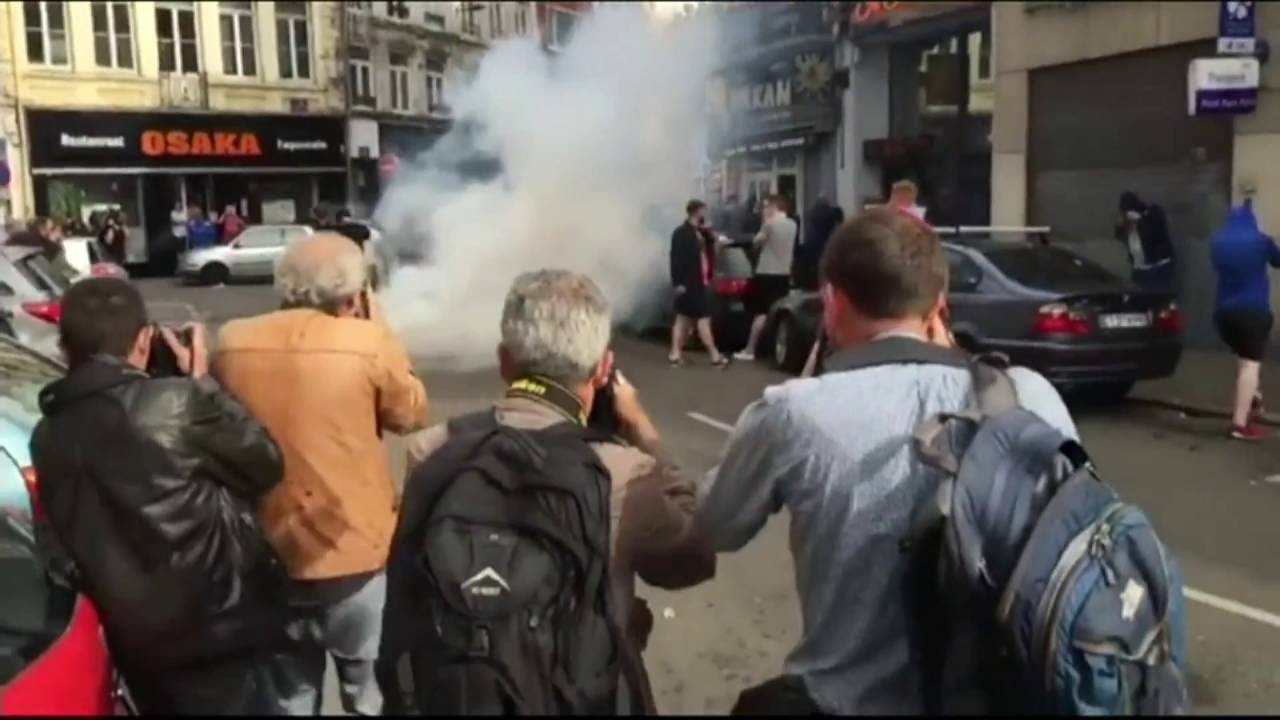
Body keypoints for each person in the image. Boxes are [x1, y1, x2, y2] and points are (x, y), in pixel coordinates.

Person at [697, 208, 1078, 714]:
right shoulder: (1029, 395)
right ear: (939, 307)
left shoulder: (794, 412)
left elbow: (714, 528)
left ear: (831, 301)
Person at [385, 269, 715, 714]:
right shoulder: (620, 472)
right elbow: (692, 561)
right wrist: (643, 431)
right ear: (602, 370)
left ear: (503, 361)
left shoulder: (432, 449)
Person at [28, 278, 296, 714]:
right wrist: (203, 383)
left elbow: (59, 543)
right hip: (219, 624)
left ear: (64, 347)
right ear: (144, 339)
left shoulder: (47, 435)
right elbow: (265, 463)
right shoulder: (176, 402)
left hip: (136, 639)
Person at [213, 232, 429, 715]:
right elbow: (409, 414)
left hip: (269, 553)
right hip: (355, 554)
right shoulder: (368, 342)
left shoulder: (232, 341)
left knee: (289, 695)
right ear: (354, 293)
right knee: (371, 694)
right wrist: (382, 330)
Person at [1211, 196, 1278, 441]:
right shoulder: (1260, 241)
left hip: (1223, 314)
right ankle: (1239, 424)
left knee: (1243, 359)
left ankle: (1253, 398)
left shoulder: (1218, 243)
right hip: (1253, 312)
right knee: (1251, 363)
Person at [736, 194, 798, 362]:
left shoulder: (770, 224)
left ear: (774, 207)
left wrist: (765, 221)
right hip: (784, 273)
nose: (764, 209)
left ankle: (750, 349)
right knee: (777, 310)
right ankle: (774, 348)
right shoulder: (793, 224)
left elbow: (756, 243)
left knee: (761, 313)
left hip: (766, 273)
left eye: (766, 206)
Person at [669, 199, 728, 367]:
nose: (706, 214)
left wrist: (712, 235)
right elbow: (675, 258)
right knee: (702, 319)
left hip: (701, 281)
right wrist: (678, 282)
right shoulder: (681, 233)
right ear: (696, 212)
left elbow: (714, 249)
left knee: (683, 319)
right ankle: (714, 355)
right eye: (704, 210)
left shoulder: (702, 232)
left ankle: (675, 353)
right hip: (689, 282)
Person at [1114, 190, 1175, 293]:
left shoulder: (1153, 213)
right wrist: (1120, 225)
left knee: (1159, 298)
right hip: (1139, 269)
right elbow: (1118, 236)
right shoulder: (1128, 224)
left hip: (1158, 267)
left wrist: (1139, 220)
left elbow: (1152, 235)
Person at [796, 197, 844, 292]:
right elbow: (840, 218)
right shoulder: (831, 213)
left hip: (812, 247)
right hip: (826, 246)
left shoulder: (812, 214)